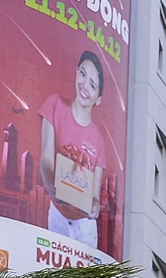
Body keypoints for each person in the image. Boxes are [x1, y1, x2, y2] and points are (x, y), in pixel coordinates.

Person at [39, 51, 108, 249]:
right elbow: (46, 160)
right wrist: (55, 192)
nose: (85, 86)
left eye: (93, 86)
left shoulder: (99, 141)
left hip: (84, 228)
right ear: (76, 72)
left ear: (98, 99)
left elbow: (95, 194)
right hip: (57, 215)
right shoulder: (55, 105)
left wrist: (94, 208)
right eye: (83, 74)